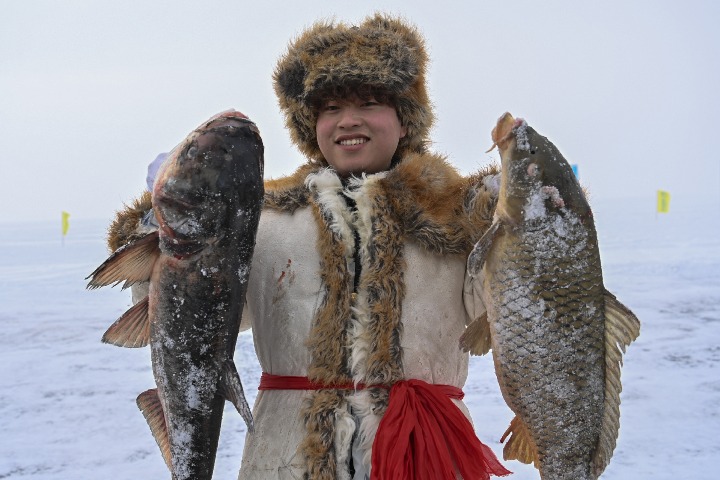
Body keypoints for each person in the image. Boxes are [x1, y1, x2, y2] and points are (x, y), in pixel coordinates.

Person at [108, 13, 510, 480]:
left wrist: (524, 226)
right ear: (311, 124)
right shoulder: (264, 221)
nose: (349, 121)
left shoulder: (460, 218)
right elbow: (188, 318)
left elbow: (506, 309)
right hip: (288, 459)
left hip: (428, 453)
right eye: (331, 107)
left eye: (370, 102)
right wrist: (165, 223)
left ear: (404, 120)